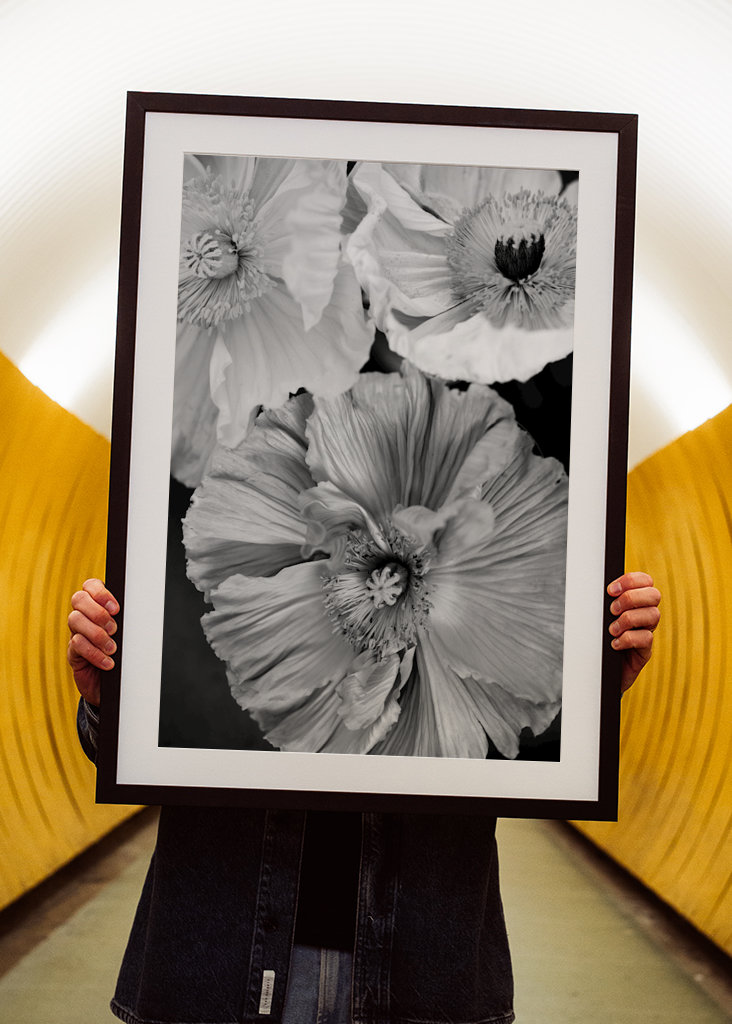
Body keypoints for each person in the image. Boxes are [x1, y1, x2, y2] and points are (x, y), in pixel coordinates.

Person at [68, 572, 661, 1024]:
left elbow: (511, 742)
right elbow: (144, 745)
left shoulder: (484, 575)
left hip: (420, 961)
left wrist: (585, 693)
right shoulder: (229, 549)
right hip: (222, 952)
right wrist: (110, 701)